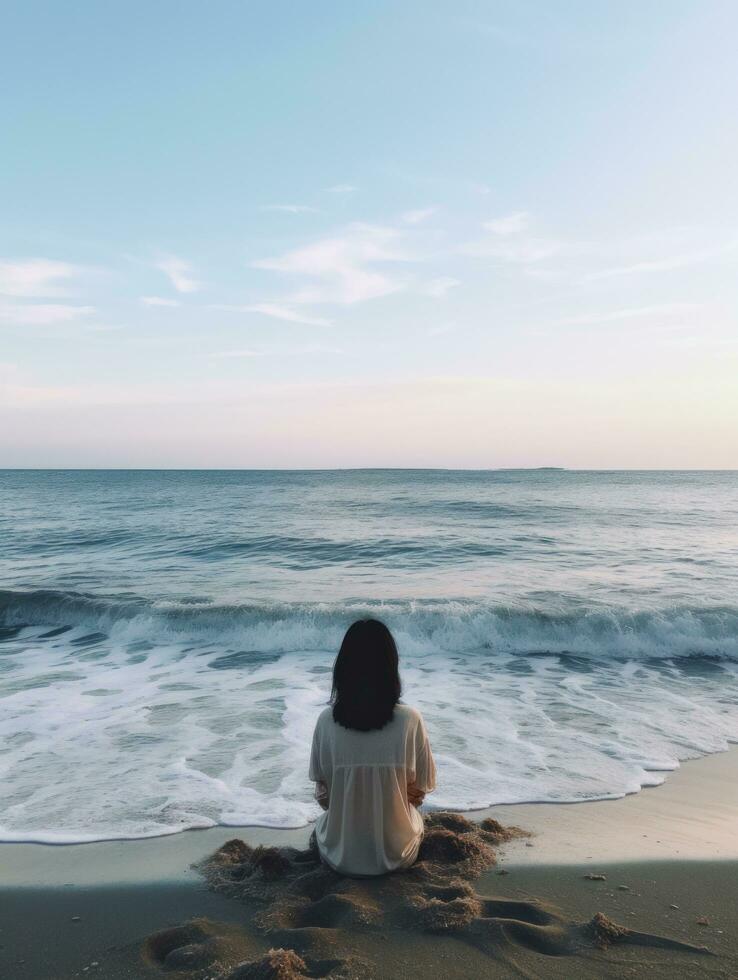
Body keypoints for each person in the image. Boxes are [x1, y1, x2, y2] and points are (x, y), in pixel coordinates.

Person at [309, 619, 436, 876]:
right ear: (390, 666)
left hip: (339, 858)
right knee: (416, 822)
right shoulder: (410, 719)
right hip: (396, 857)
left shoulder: (325, 721)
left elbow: (324, 798)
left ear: (343, 668)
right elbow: (420, 791)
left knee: (322, 825)